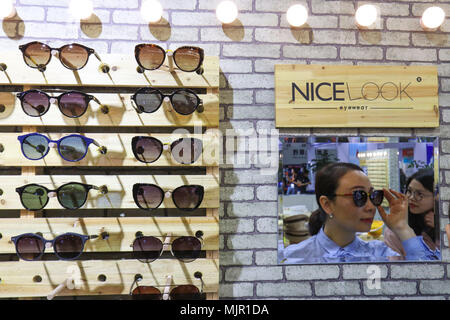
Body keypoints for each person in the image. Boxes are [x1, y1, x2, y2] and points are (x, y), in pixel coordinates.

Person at [282, 162, 440, 263]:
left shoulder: (380, 253)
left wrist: (402, 228)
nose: (371, 206)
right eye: (359, 196)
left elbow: (430, 282)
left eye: (373, 196)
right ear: (327, 204)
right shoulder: (294, 258)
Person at [384, 169, 439, 257]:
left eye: (420, 194)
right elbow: (393, 267)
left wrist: (439, 229)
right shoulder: (395, 230)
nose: (411, 198)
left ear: (436, 197)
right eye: (409, 191)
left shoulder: (443, 225)